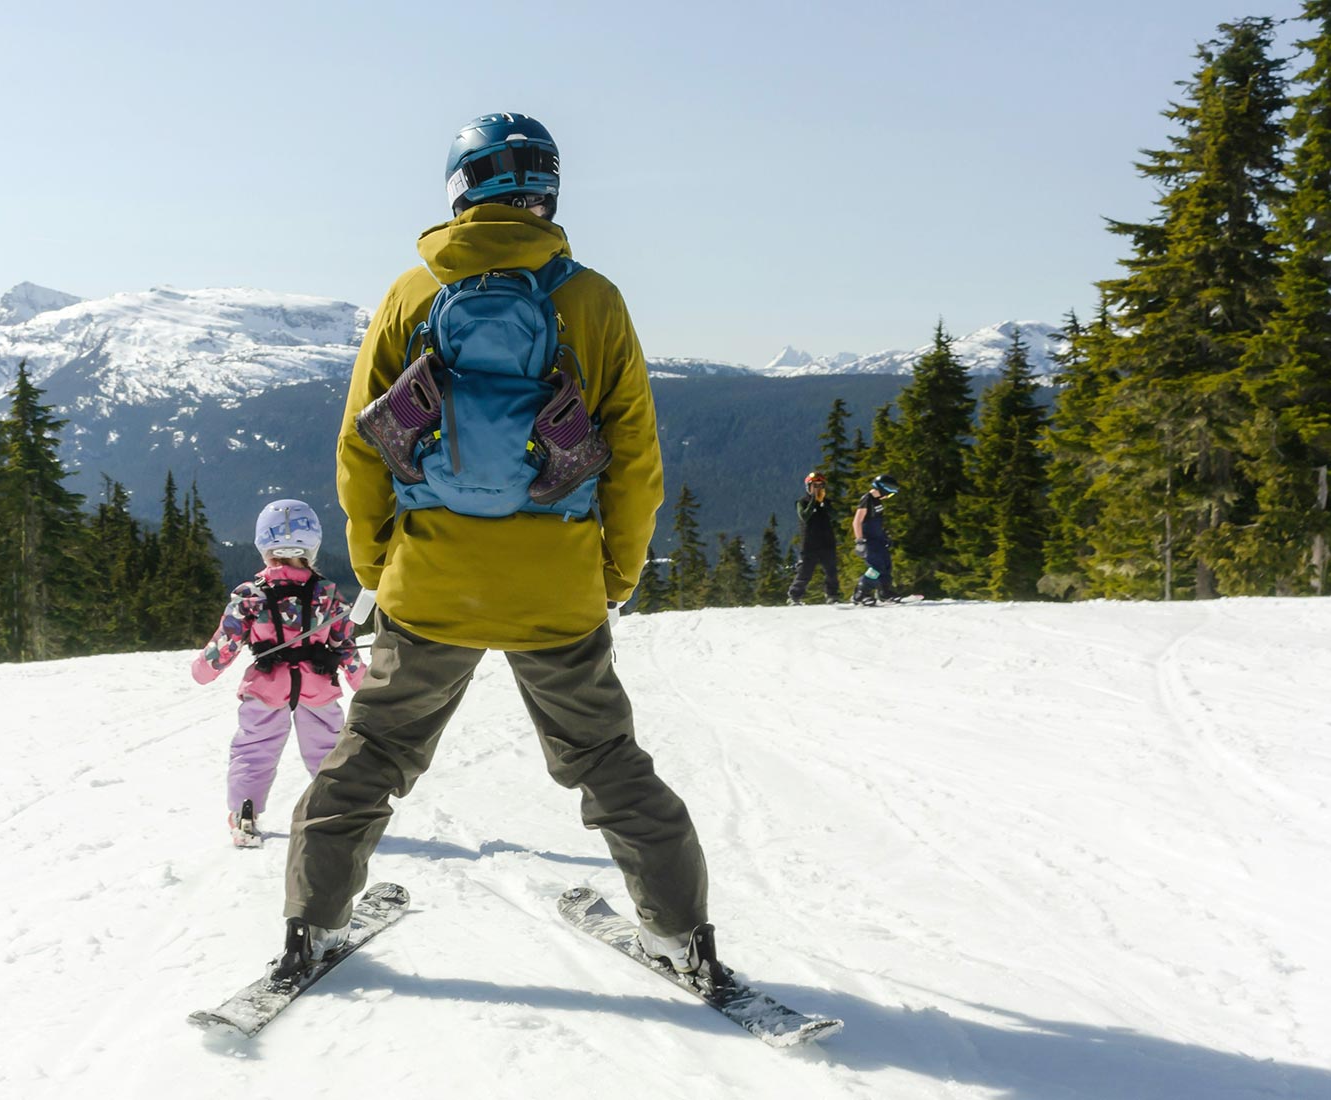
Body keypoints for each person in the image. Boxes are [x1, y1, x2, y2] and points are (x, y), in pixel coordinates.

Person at [275, 112, 716, 983]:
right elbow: (636, 462)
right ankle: (680, 935)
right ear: (547, 190)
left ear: (458, 190)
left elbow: (361, 450)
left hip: (431, 584)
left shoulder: (411, 295)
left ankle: (310, 926)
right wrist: (614, 574)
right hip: (557, 590)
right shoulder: (592, 300)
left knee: (372, 758)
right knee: (606, 764)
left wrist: (379, 567)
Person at [191, 499, 367, 848]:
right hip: (317, 684)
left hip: (267, 684)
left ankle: (246, 811)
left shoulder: (251, 595)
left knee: (254, 747)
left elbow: (227, 641)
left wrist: (204, 670)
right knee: (327, 748)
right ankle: (336, 811)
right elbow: (344, 643)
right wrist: (360, 678)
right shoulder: (326, 592)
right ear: (312, 545)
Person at [788, 472, 842, 604]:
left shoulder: (826, 503)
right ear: (808, 487)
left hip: (827, 542)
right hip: (809, 543)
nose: (818, 488)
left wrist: (824, 504)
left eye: (820, 485)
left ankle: (832, 595)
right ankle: (794, 596)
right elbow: (804, 516)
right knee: (805, 571)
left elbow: (836, 516)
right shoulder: (802, 502)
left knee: (831, 571)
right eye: (815, 485)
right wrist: (813, 500)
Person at [852, 474, 901, 606]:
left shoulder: (877, 500)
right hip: (869, 540)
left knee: (886, 565)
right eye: (890, 493)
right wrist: (859, 541)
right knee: (876, 567)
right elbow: (857, 521)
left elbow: (876, 522)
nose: (889, 496)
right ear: (884, 488)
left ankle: (884, 592)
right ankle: (861, 594)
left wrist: (884, 536)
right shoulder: (867, 499)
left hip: (878, 539)